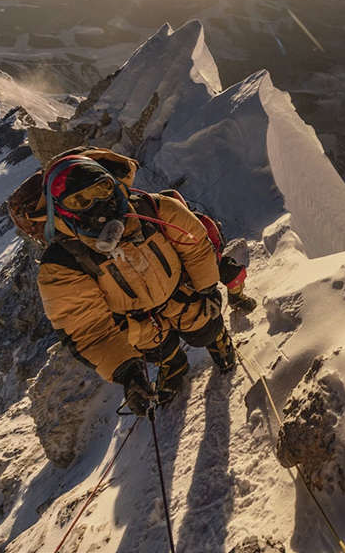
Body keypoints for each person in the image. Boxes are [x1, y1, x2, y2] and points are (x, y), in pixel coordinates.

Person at [25, 147, 240, 416]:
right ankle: (174, 365)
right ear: (61, 210)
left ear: (113, 183)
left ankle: (215, 341)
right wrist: (126, 371)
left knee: (205, 325)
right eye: (79, 201)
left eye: (102, 189)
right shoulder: (64, 264)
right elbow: (88, 328)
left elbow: (195, 248)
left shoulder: (154, 209)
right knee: (160, 349)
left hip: (179, 297)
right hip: (138, 321)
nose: (98, 205)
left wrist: (207, 287)